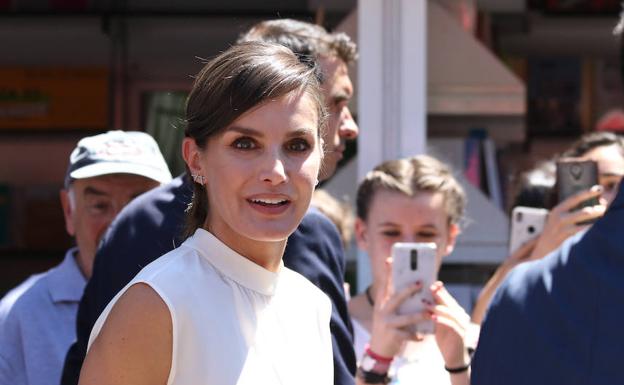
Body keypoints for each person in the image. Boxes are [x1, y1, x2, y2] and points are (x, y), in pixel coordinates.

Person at [61, 18, 360, 385]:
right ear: (196, 160)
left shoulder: (310, 305)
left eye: (297, 145)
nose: (276, 172)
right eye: (245, 144)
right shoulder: (156, 306)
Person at [0, 130, 171, 385]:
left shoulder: (198, 295)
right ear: (69, 211)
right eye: (100, 205)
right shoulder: (21, 313)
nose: (118, 222)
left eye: (139, 206)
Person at [471, 131, 624, 323]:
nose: (597, 198)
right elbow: (484, 333)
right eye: (582, 187)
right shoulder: (540, 263)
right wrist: (538, 264)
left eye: (612, 185)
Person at [348, 155, 475, 385]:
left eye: (426, 234)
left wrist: (459, 367)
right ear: (362, 234)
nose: (408, 245)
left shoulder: (470, 339)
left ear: (450, 238)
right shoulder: (330, 329)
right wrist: (377, 359)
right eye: (391, 232)